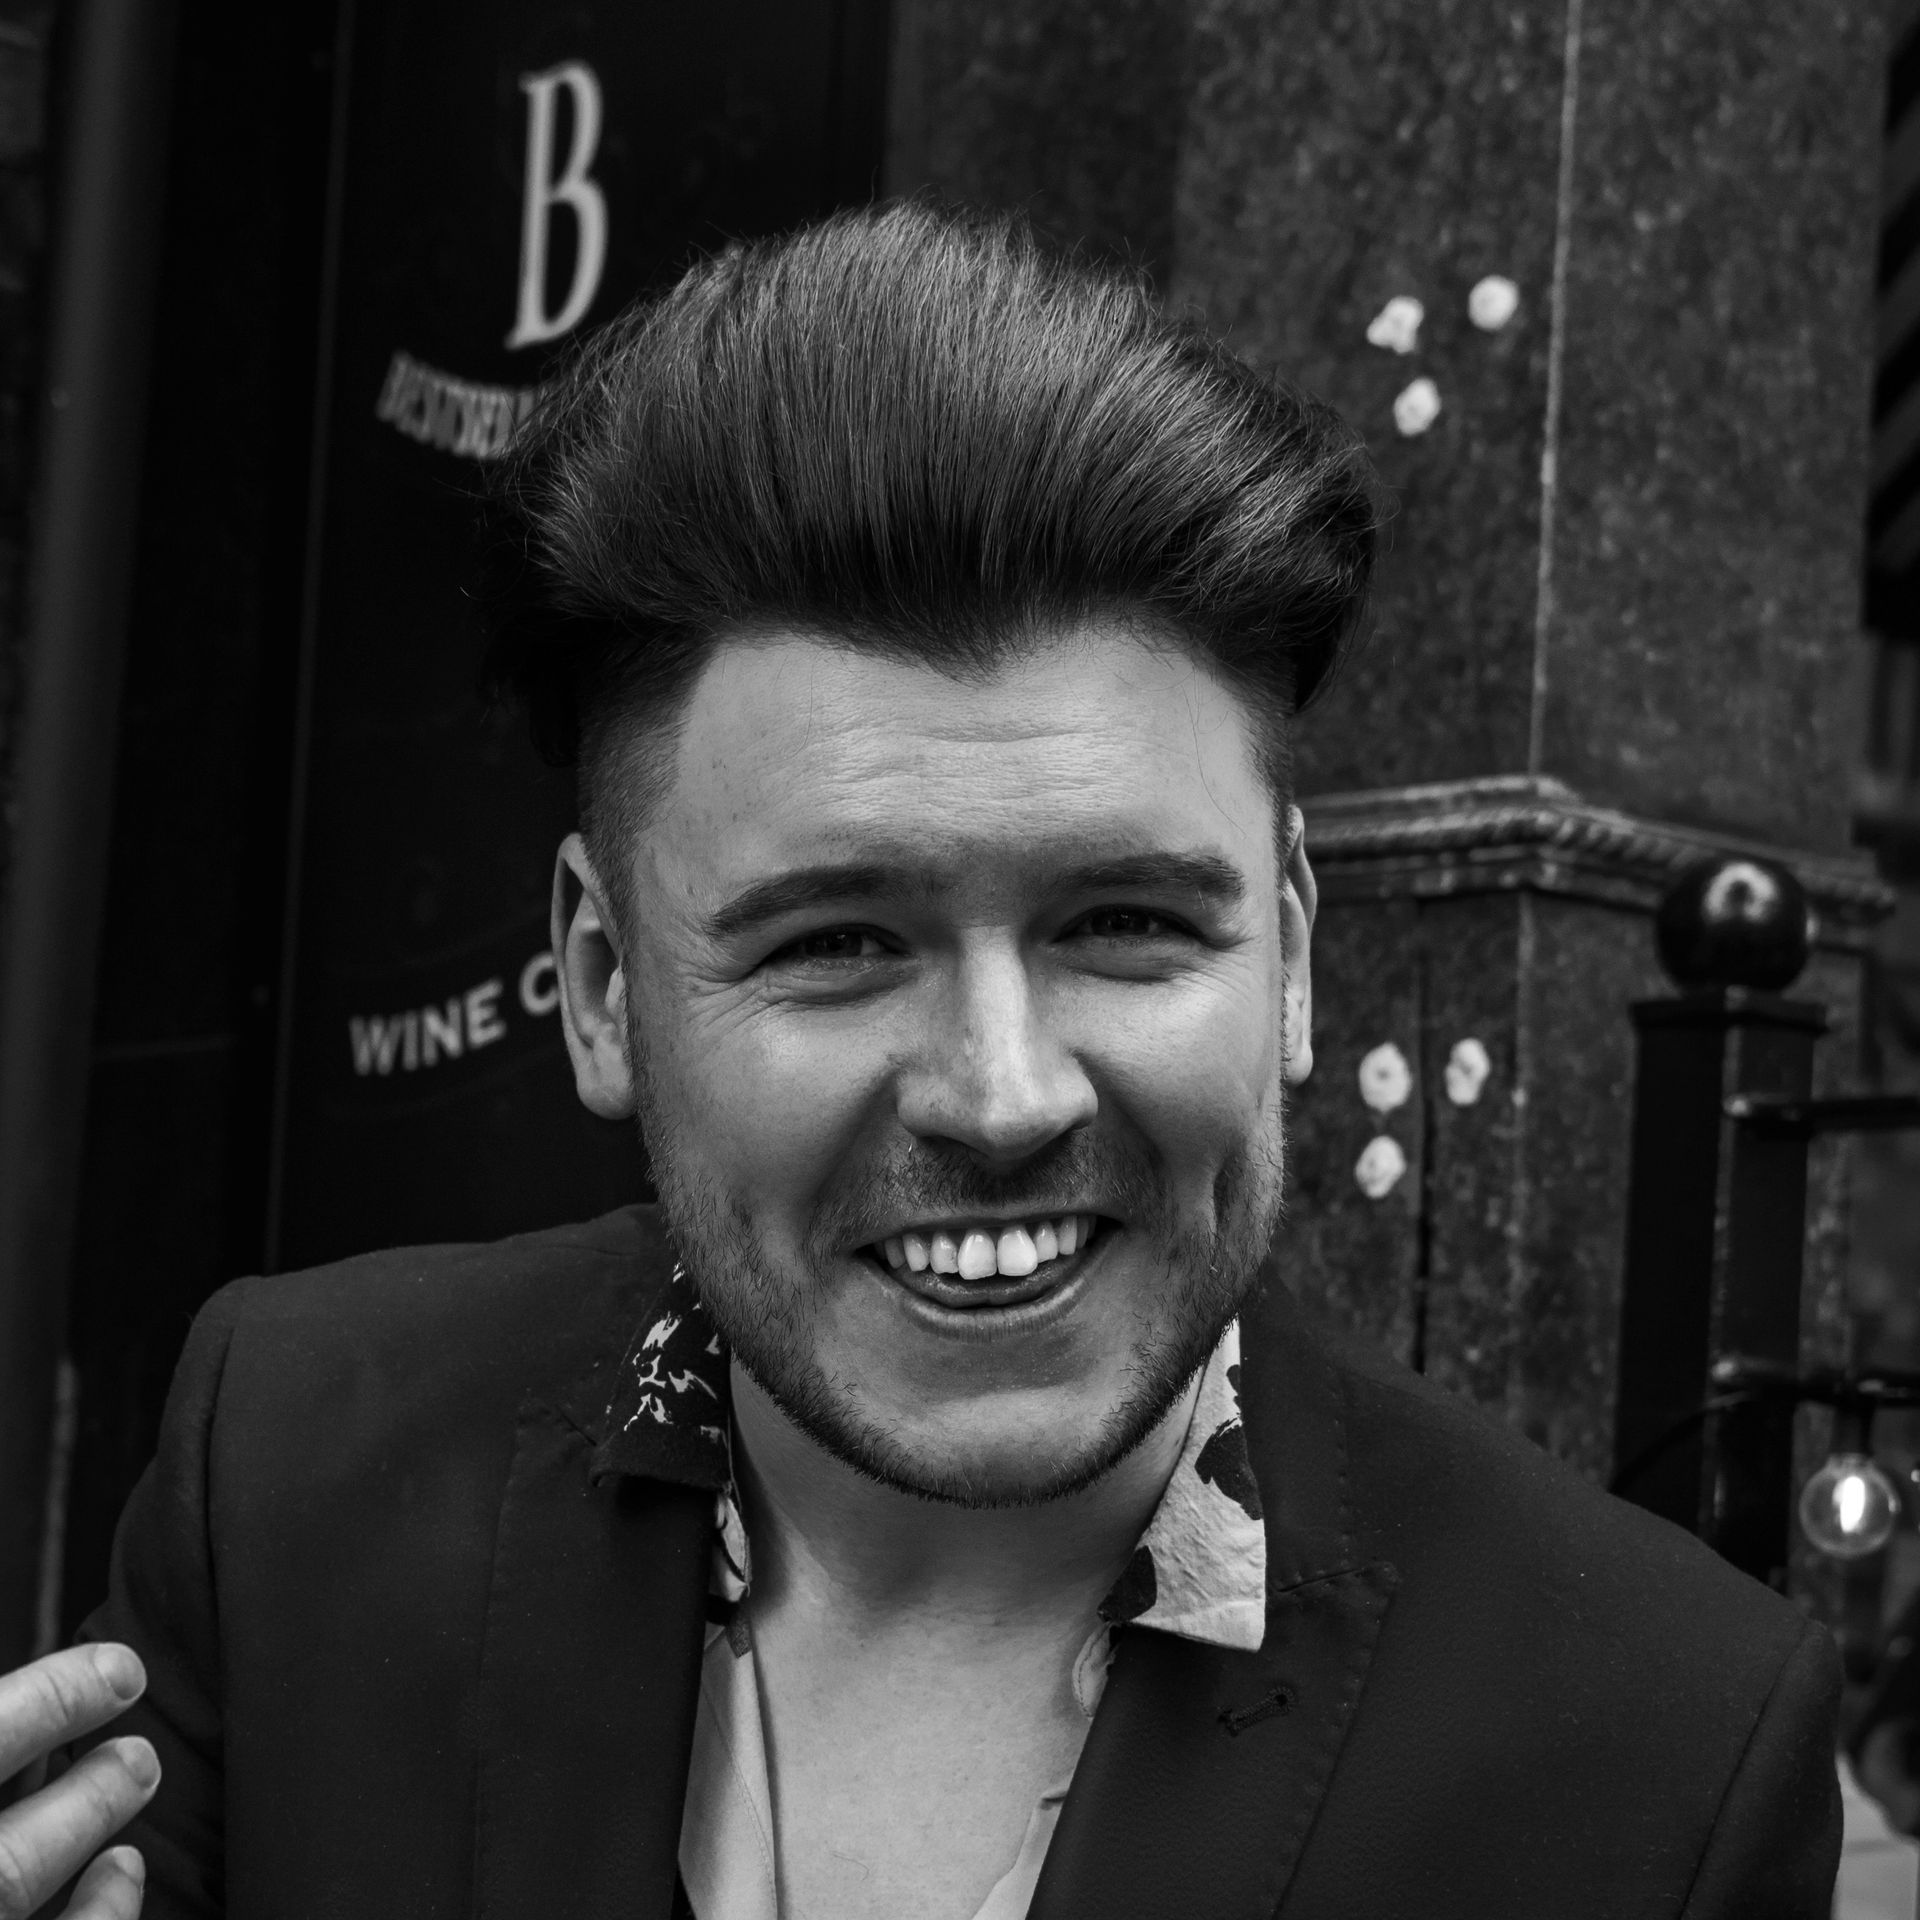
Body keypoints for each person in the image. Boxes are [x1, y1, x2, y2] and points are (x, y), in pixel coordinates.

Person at [0, 203, 1841, 1919]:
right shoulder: (293, 1478)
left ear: (1287, 949)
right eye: (836, 946)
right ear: (601, 987)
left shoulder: (1657, 1758)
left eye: (1126, 921)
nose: (1003, 1093)